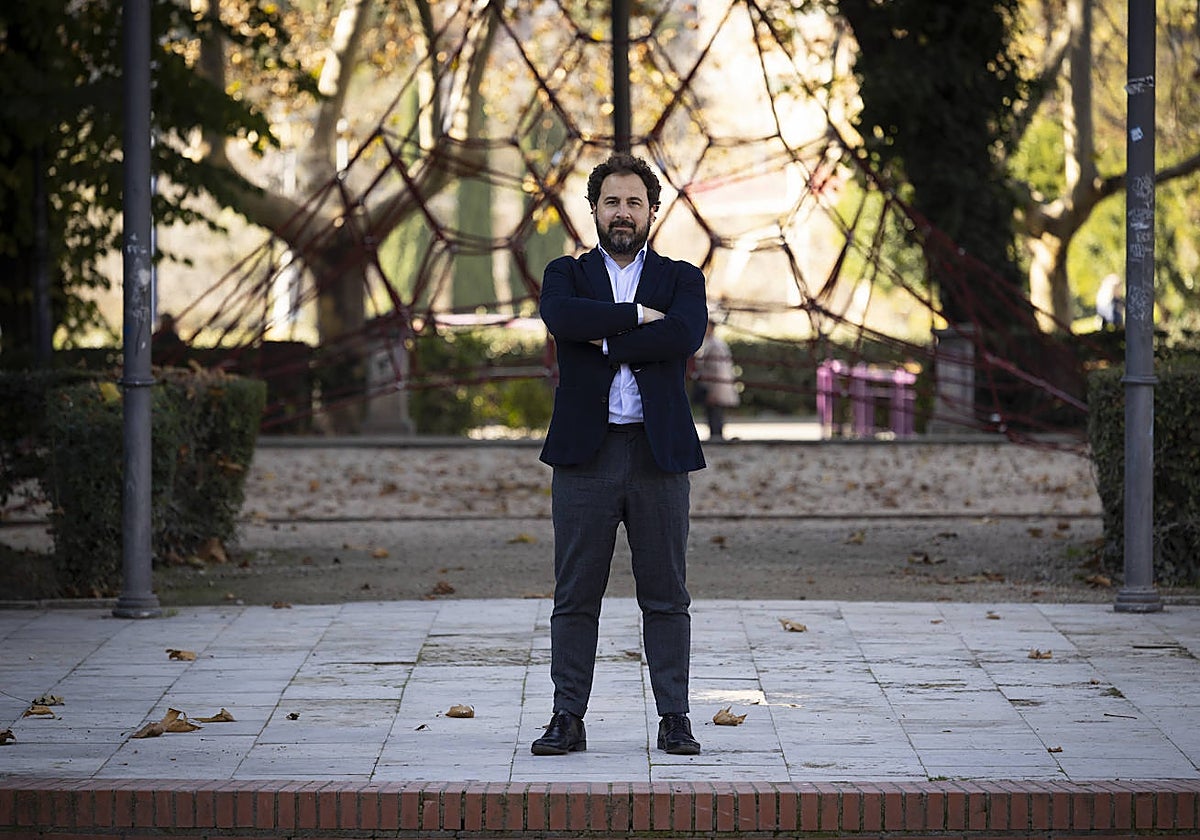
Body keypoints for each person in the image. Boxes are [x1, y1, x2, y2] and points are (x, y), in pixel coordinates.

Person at [533, 153, 708, 757]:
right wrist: (635, 318)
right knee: (574, 595)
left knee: (666, 596)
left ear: (653, 211)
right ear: (594, 210)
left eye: (635, 202)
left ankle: (675, 717)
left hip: (660, 456)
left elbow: (684, 334)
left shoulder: (682, 278)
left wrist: (602, 339)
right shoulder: (566, 274)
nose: (623, 212)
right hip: (585, 456)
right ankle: (567, 717)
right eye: (612, 202)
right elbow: (561, 318)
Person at [691, 319, 739, 440]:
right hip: (715, 384)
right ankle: (716, 437)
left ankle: (716, 438)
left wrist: (713, 391)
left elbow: (717, 369)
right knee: (713, 413)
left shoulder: (714, 346)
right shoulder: (713, 344)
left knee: (714, 414)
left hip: (715, 385)